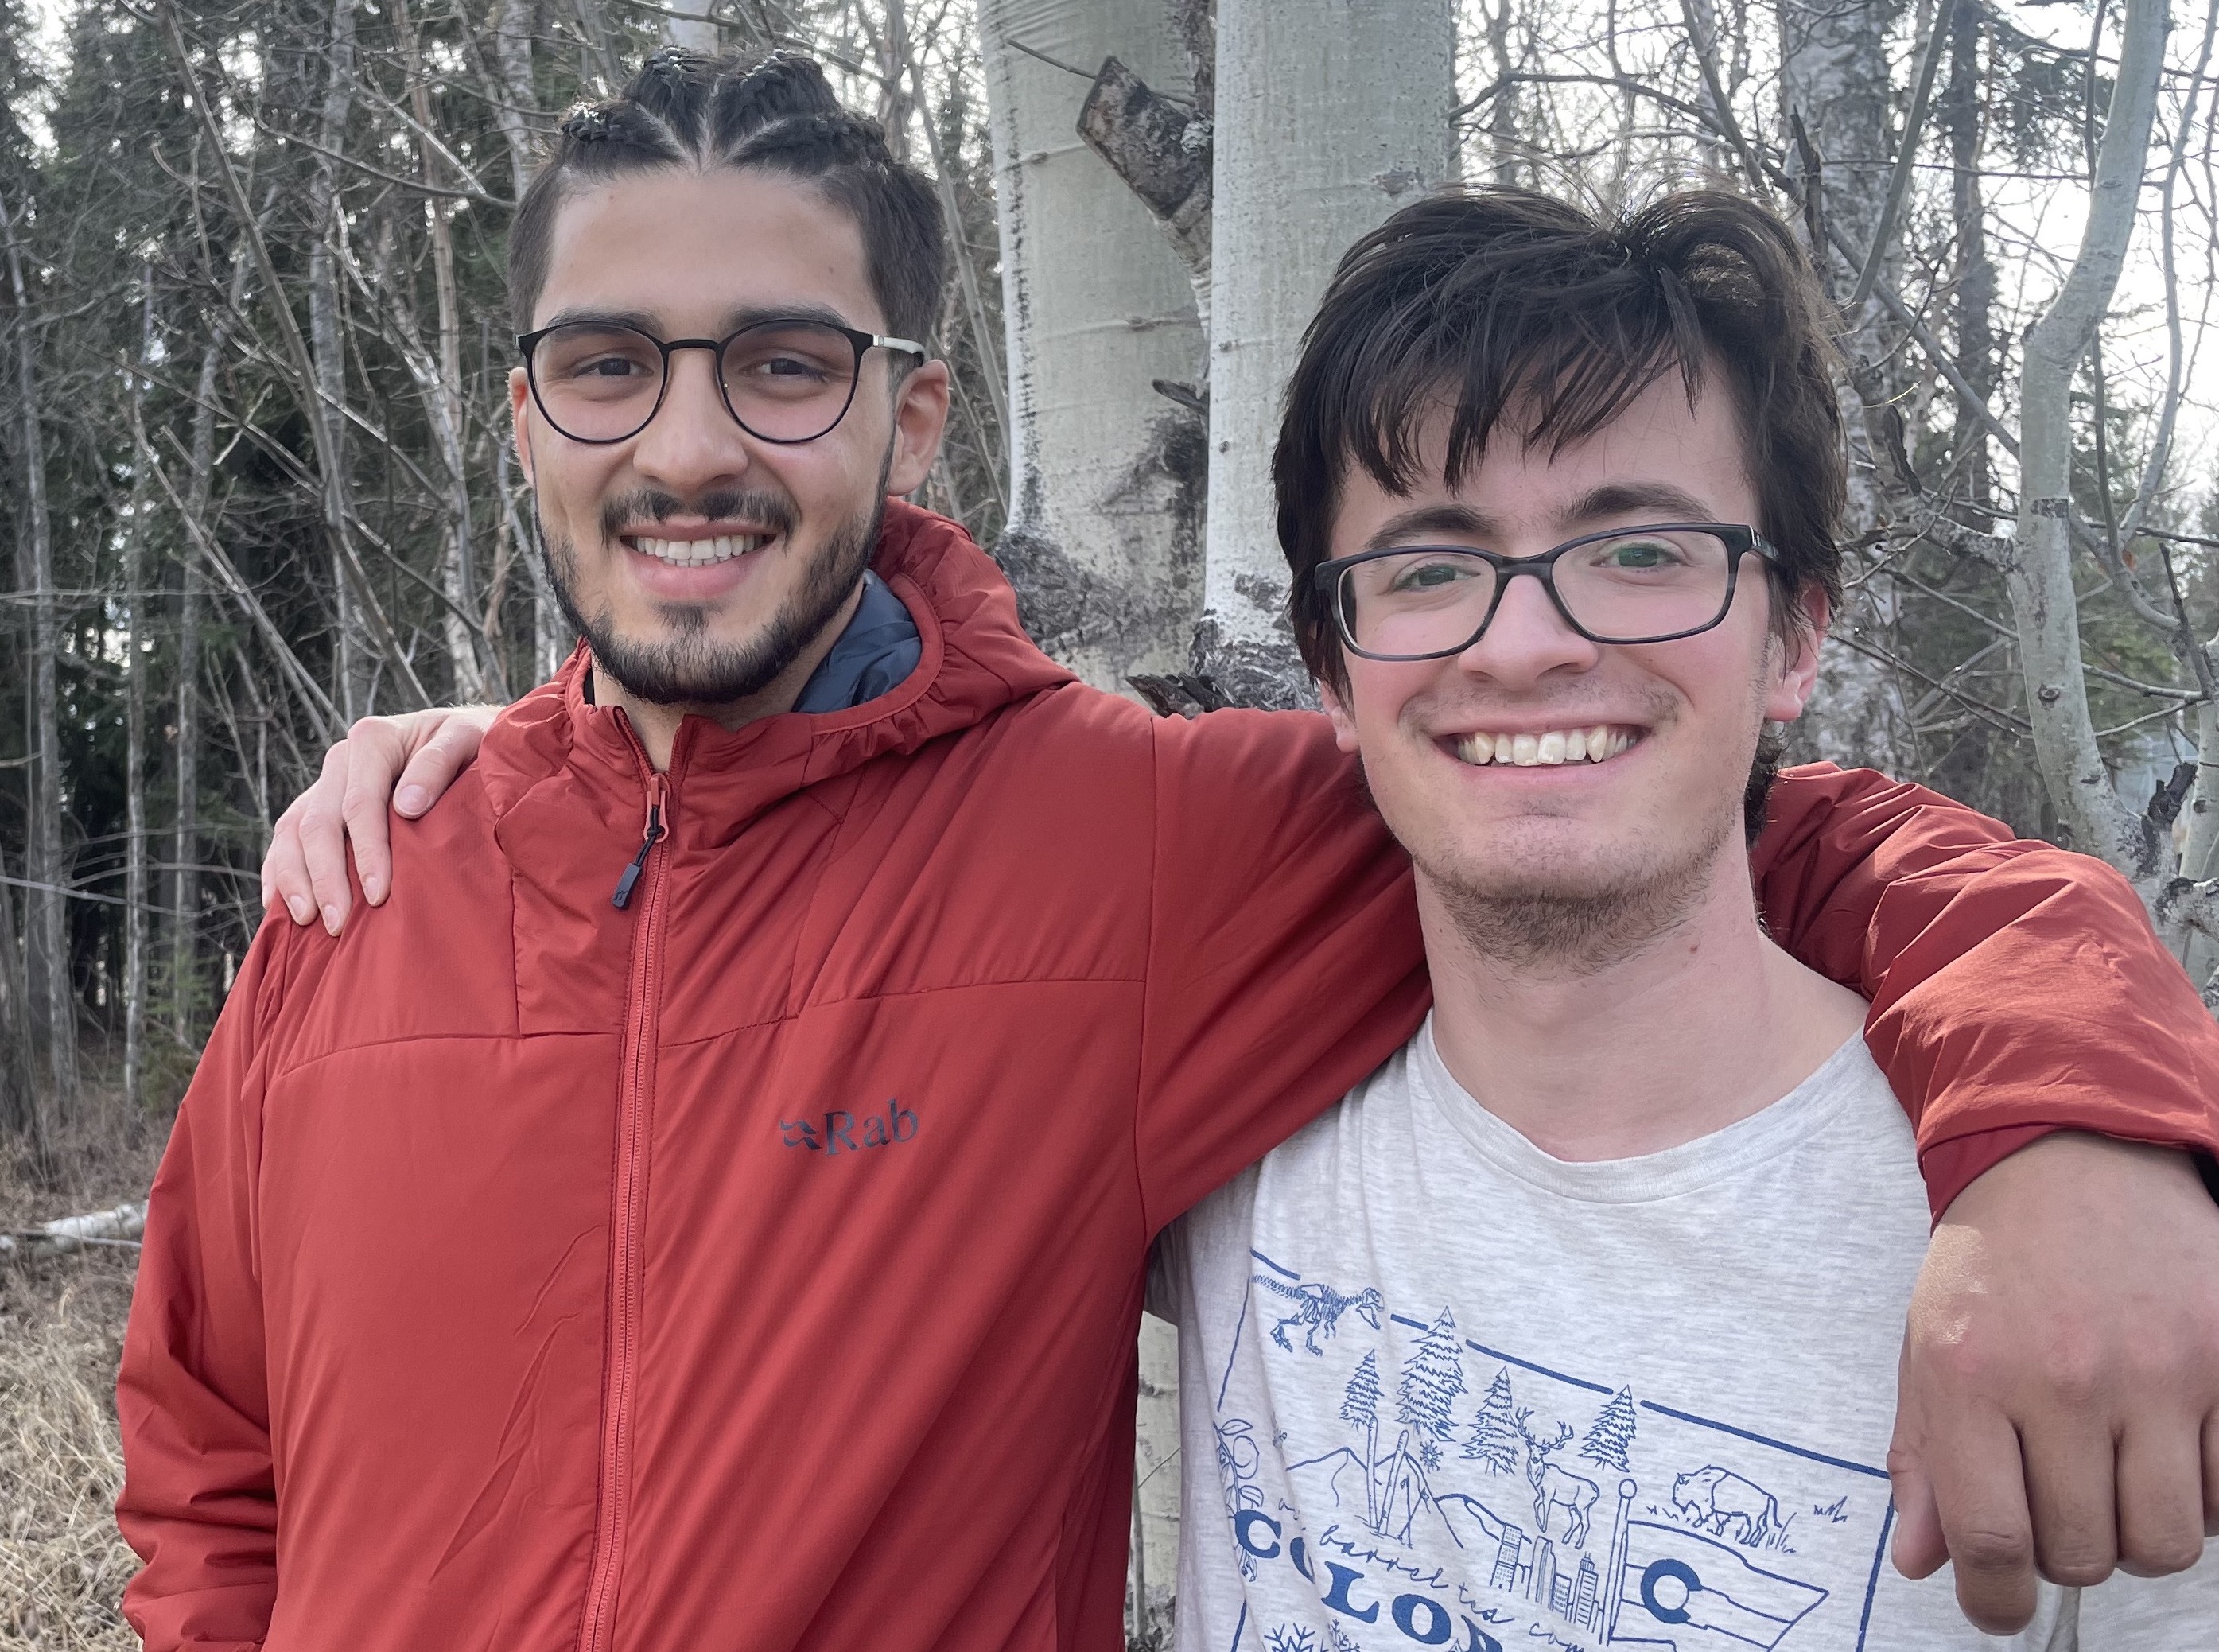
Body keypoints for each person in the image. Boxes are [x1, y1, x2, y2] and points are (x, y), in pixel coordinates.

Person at [142, 47, 2219, 1652]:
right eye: (607, 366)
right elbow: (207, 1448)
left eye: (785, 364)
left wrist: (2072, 1117)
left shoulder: (1133, 845)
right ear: (524, 415)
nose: (688, 445)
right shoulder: (364, 885)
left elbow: (1672, 814)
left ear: (914, 415)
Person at [1150, 185, 2217, 1652]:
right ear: (1333, 672)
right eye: (1427, 569)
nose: (1526, 645)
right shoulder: (1219, 1107)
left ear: (1791, 635)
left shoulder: (2078, 1283)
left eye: (1640, 553)